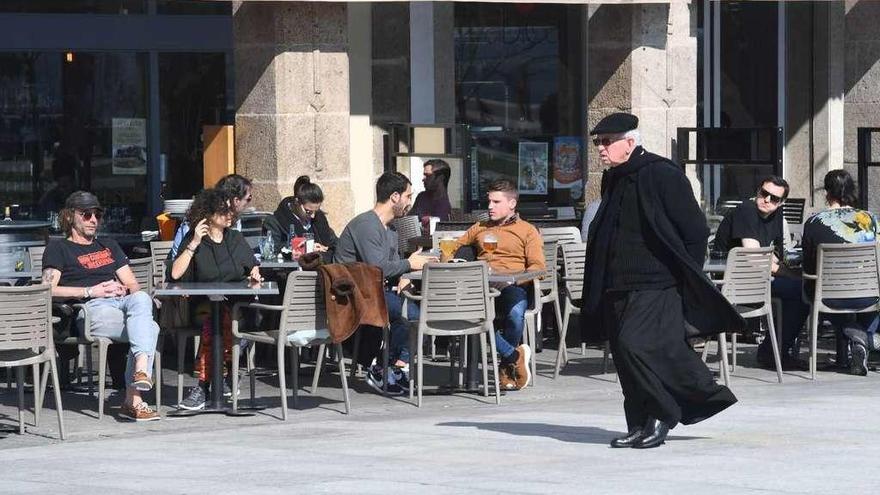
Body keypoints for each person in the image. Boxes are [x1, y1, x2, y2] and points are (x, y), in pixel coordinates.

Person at [581, 113, 740, 449]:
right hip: (616, 283)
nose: (600, 148)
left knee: (634, 345)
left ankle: (662, 414)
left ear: (630, 142)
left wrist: (686, 275)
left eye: (606, 142)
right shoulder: (613, 179)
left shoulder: (661, 174)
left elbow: (695, 232)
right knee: (624, 356)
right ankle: (639, 422)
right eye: (597, 142)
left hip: (656, 281)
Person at [41, 191, 161, 421]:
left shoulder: (109, 245)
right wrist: (90, 291)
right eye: (86, 214)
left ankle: (138, 380)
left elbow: (133, 285)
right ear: (69, 217)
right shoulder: (58, 248)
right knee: (151, 329)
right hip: (90, 309)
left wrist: (122, 288)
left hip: (120, 304)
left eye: (97, 214)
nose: (93, 219)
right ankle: (134, 398)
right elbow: (47, 291)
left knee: (142, 299)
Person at [334, 171, 437, 395]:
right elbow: (376, 268)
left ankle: (394, 366)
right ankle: (383, 368)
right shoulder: (367, 224)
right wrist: (409, 265)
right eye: (408, 196)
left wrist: (402, 277)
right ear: (394, 197)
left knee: (421, 313)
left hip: (374, 290)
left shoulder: (390, 229)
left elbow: (389, 266)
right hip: (352, 295)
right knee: (409, 314)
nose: (410, 202)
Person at [170, 188, 264, 410]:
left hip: (237, 307)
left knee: (221, 319)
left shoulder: (235, 238)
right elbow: (174, 274)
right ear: (208, 214)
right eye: (224, 211)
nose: (230, 215)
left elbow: (252, 266)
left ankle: (204, 387)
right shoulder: (195, 239)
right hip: (201, 308)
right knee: (215, 320)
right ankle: (219, 380)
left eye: (231, 210)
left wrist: (255, 273)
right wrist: (193, 243)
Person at [452, 179, 545, 390]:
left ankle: (505, 366)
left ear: (512, 204)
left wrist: (515, 279)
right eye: (489, 202)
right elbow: (455, 247)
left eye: (496, 202)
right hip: (480, 285)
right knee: (470, 316)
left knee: (515, 313)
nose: (489, 207)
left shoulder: (527, 230)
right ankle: (513, 356)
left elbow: (539, 267)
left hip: (511, 284)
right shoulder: (480, 227)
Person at [713, 176, 811, 371]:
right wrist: (791, 274)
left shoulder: (775, 217)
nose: (767, 200)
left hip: (756, 279)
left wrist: (792, 270)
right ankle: (772, 353)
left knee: (801, 290)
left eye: (774, 198)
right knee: (800, 291)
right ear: (757, 191)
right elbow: (753, 256)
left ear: (781, 202)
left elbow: (768, 254)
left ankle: (775, 352)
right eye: (764, 193)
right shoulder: (746, 211)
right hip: (731, 283)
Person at [801, 169, 879, 375]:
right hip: (868, 296)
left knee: (816, 288)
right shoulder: (870, 219)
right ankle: (865, 336)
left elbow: (808, 266)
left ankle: (856, 337)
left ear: (827, 192)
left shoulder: (814, 222)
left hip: (828, 298)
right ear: (853, 190)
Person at [170, 174, 254, 258]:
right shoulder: (194, 227)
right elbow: (177, 260)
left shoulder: (234, 223)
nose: (248, 204)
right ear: (236, 200)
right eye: (248, 198)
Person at [263, 175, 338, 261]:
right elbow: (271, 251)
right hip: (291, 271)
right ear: (297, 202)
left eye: (316, 211)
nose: (313, 216)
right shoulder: (275, 222)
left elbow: (336, 244)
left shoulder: (319, 221)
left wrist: (325, 249)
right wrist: (304, 249)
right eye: (308, 211)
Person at [409, 159, 452, 230]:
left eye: (428, 175)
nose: (423, 179)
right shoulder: (421, 197)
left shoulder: (444, 206)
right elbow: (408, 222)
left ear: (440, 178)